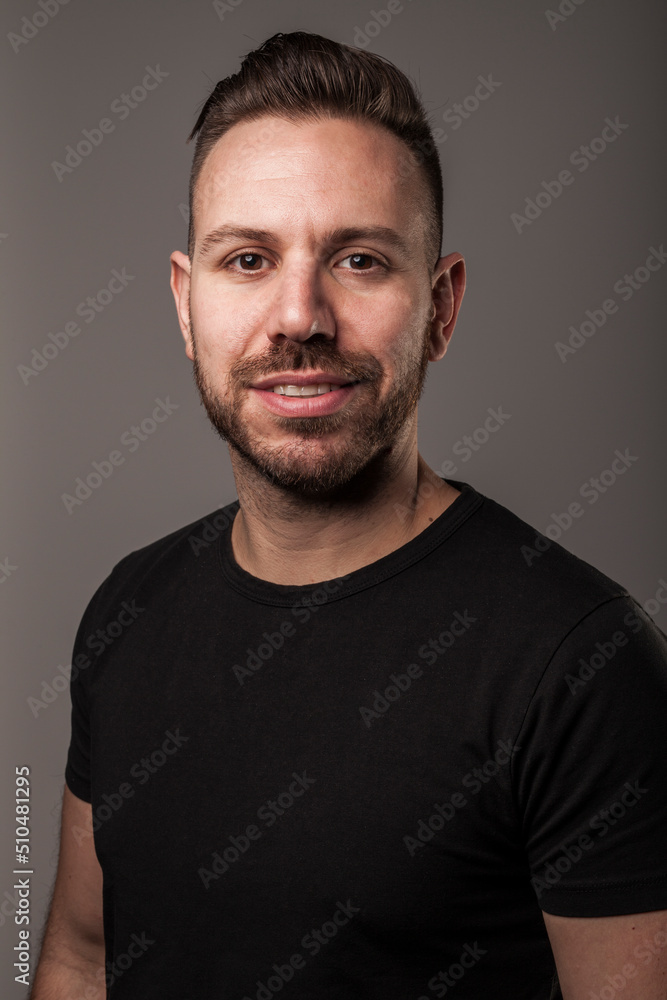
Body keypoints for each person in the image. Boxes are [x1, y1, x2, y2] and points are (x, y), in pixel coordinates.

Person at [30, 31, 667, 1000]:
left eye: (360, 259)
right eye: (247, 258)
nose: (299, 315)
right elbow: (81, 954)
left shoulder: (580, 665)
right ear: (185, 303)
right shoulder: (128, 608)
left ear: (442, 307)